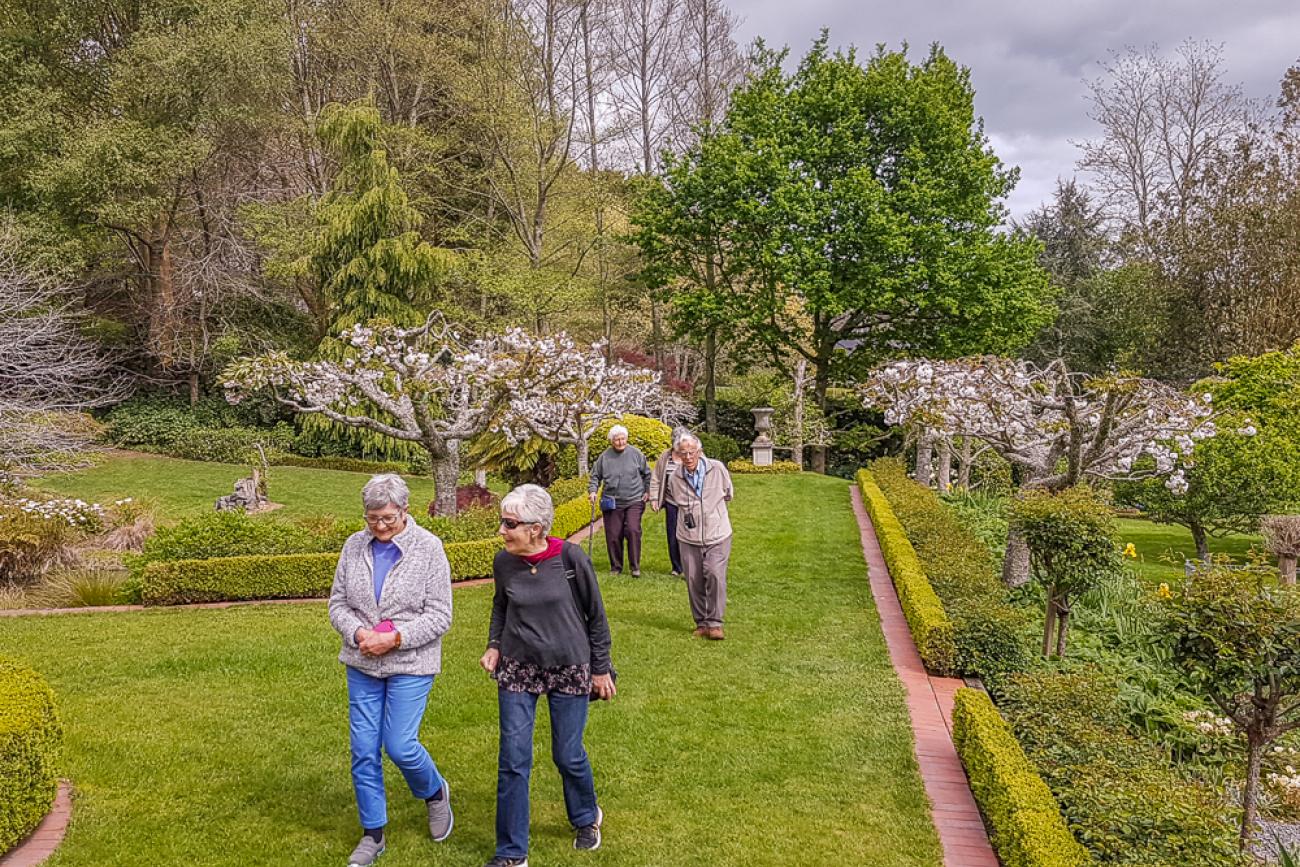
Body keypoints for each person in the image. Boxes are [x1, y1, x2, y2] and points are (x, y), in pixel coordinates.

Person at [480, 484, 615, 867]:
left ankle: (586, 817)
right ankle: (511, 853)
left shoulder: (570, 559)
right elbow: (500, 607)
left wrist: (600, 670)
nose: (502, 531)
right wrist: (494, 644)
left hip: (570, 665)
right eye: (502, 523)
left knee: (568, 754)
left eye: (509, 524)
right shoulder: (504, 562)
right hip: (519, 667)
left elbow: (596, 617)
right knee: (513, 758)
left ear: (536, 528)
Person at [327, 474, 454, 867]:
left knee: (399, 745)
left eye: (387, 518)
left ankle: (434, 793)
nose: (380, 526)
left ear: (404, 511)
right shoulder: (353, 546)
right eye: (372, 519)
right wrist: (359, 631)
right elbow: (337, 604)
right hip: (362, 660)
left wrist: (395, 637)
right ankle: (373, 833)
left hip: (411, 663)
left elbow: (440, 616)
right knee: (364, 749)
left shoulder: (429, 549)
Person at [666, 431, 735, 640]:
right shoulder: (675, 477)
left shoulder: (717, 468)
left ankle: (715, 623)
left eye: (691, 452)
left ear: (699, 451)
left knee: (714, 573)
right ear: (678, 454)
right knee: (693, 579)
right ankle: (701, 622)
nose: (688, 457)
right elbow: (677, 500)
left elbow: (729, 493)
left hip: (718, 532)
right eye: (683, 453)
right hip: (688, 537)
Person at [587, 424, 651, 576]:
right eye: (617, 440)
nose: (621, 442)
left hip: (634, 499)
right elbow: (595, 476)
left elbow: (647, 474)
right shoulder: (605, 457)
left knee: (633, 530)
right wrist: (593, 491)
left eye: (623, 439)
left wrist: (648, 491)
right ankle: (616, 566)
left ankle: (635, 567)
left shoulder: (636, 454)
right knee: (614, 534)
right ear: (611, 441)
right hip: (612, 501)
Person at [648, 427, 689, 577]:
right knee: (672, 535)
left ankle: (689, 566)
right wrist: (654, 498)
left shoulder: (691, 454)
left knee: (689, 534)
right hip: (671, 502)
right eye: (677, 445)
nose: (680, 449)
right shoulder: (665, 456)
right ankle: (676, 567)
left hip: (689, 503)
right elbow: (656, 478)